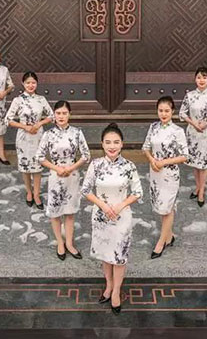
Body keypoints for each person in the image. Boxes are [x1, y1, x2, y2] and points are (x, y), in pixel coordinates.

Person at [81, 123, 142, 314]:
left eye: (116, 142)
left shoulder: (129, 166)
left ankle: (116, 292)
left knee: (119, 257)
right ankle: (108, 285)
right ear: (102, 144)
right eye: (108, 142)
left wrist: (120, 205)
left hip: (122, 217)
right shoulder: (95, 165)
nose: (112, 146)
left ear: (122, 144)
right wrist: (103, 205)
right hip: (101, 216)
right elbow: (85, 190)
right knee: (106, 255)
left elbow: (137, 192)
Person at [35, 100, 91, 260]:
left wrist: (71, 168)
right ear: (54, 115)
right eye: (58, 113)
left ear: (69, 114)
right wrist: (56, 168)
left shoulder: (77, 133)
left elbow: (86, 155)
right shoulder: (48, 134)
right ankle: (60, 242)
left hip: (72, 176)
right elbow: (39, 157)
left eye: (64, 113)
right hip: (55, 176)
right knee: (55, 212)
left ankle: (70, 244)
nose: (61, 116)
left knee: (70, 212)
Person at [142, 96, 188, 259]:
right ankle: (169, 236)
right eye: (160, 110)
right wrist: (152, 160)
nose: (163, 114)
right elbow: (145, 147)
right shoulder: (153, 127)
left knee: (167, 207)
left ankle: (161, 242)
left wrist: (163, 162)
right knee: (161, 207)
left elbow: (185, 156)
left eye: (167, 111)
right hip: (155, 172)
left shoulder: (177, 131)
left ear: (172, 111)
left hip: (170, 175)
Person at [5, 72, 53, 209]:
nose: (31, 85)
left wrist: (39, 123)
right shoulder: (18, 100)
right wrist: (24, 126)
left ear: (36, 84)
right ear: (23, 84)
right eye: (28, 83)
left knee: (37, 166)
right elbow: (8, 119)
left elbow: (52, 116)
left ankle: (37, 194)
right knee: (25, 166)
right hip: (23, 136)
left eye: (33, 83)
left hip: (38, 136)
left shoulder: (41, 99)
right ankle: (29, 192)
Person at [179, 66, 207, 207]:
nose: (201, 80)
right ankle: (197, 187)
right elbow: (182, 113)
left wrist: (206, 123)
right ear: (195, 79)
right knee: (195, 163)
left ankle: (201, 192)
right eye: (199, 77)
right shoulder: (190, 95)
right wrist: (193, 123)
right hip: (192, 133)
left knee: (203, 164)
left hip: (205, 133)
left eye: (204, 77)